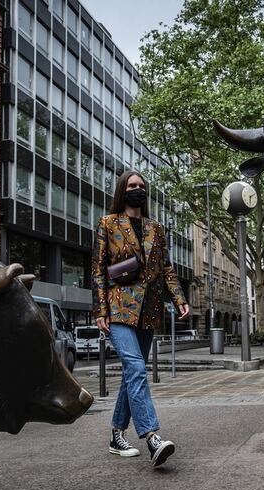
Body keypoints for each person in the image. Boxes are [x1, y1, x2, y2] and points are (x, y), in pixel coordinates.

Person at [91, 170, 189, 467]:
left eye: (142, 186)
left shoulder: (156, 228)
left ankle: (116, 435)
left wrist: (179, 298)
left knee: (133, 373)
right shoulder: (108, 223)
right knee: (135, 366)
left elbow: (167, 269)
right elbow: (98, 269)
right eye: (132, 186)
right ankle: (152, 437)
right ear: (123, 190)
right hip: (119, 306)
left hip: (149, 309)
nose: (138, 190)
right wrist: (100, 311)